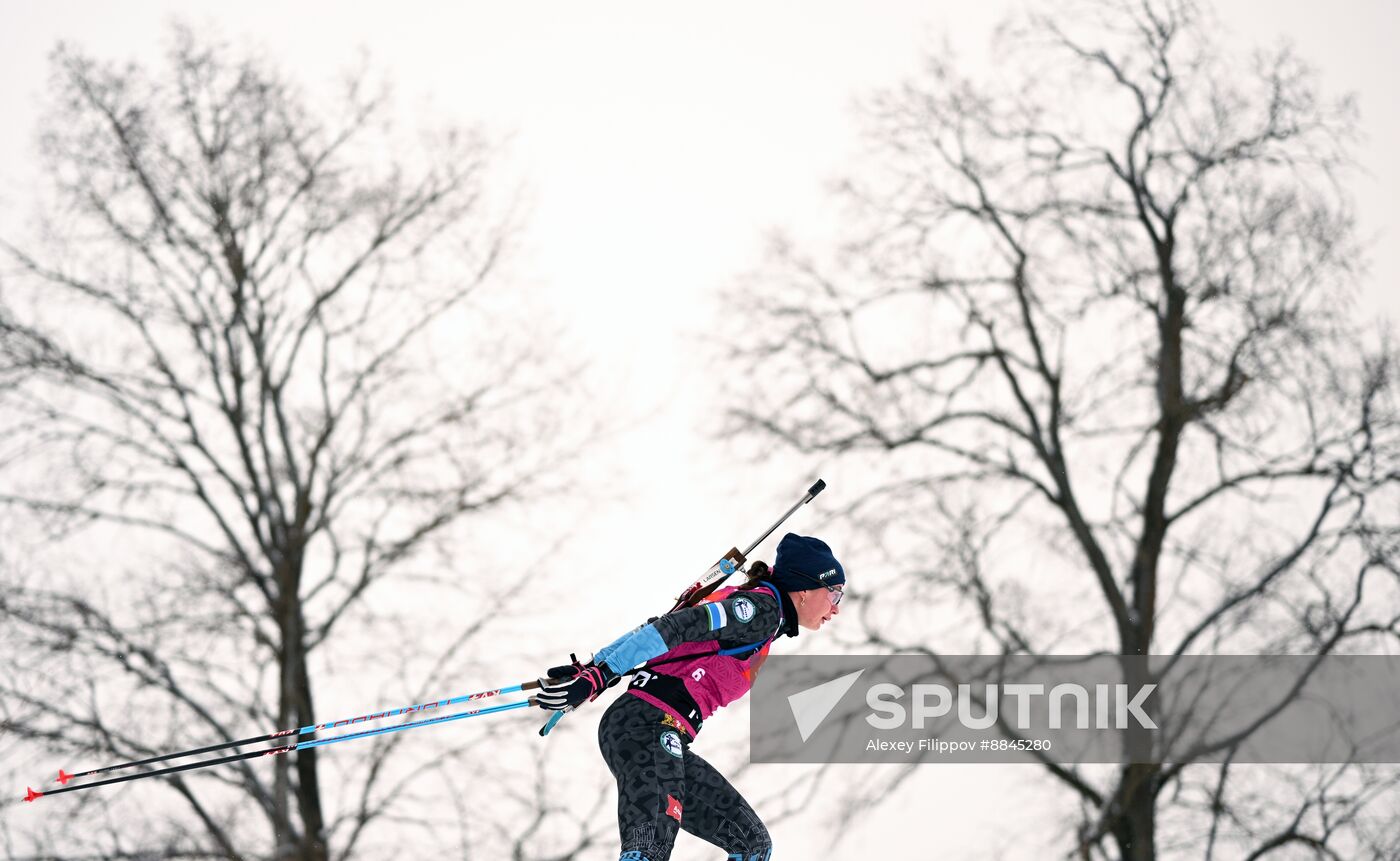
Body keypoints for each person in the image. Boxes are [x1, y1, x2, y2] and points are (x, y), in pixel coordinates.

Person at [536, 533, 845, 861]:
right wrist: (600, 672)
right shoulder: (760, 609)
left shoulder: (766, 613)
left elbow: (656, 627)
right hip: (647, 725)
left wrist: (593, 668)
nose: (836, 608)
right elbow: (674, 627)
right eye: (835, 593)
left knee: (752, 846)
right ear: (805, 589)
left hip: (659, 730)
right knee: (649, 850)